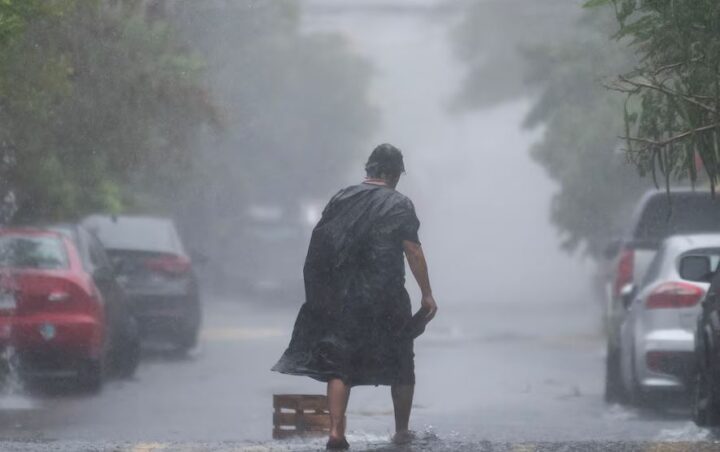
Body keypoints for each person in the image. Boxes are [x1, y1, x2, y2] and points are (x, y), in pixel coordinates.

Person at [272, 143, 437, 450]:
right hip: (387, 297)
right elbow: (412, 251)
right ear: (392, 173)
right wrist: (427, 295)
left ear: (370, 170)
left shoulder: (341, 198)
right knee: (401, 362)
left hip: (345, 298)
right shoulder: (400, 204)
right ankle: (401, 432)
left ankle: (336, 431)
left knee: (340, 364)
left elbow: (320, 245)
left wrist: (321, 295)